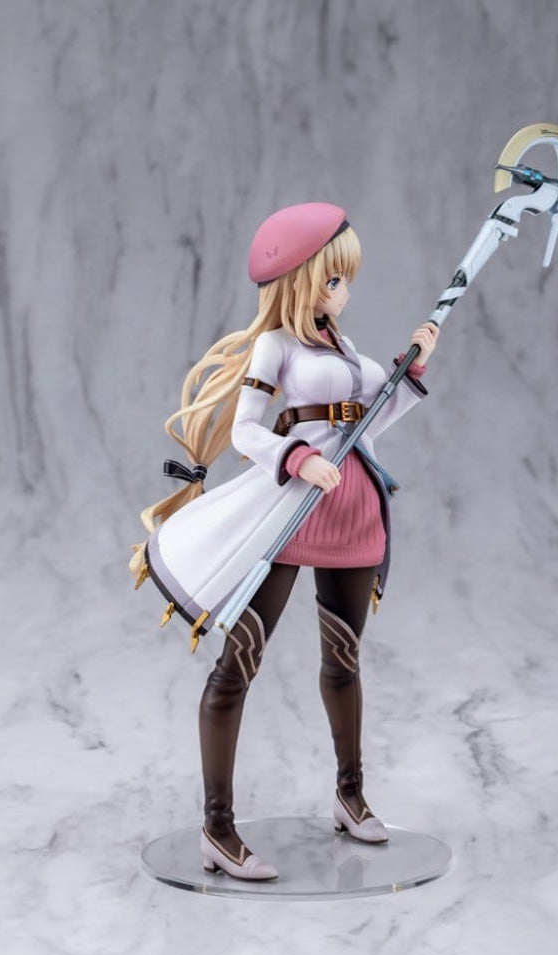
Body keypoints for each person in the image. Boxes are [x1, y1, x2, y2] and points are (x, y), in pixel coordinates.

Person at [131, 203, 438, 880]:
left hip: (352, 509)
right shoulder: (276, 346)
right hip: (292, 512)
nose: (343, 291)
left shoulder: (344, 349)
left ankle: (350, 796)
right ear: (303, 280)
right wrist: (297, 459)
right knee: (237, 664)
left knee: (344, 660)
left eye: (345, 280)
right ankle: (217, 828)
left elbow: (364, 425)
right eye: (334, 279)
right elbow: (247, 430)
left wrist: (409, 373)